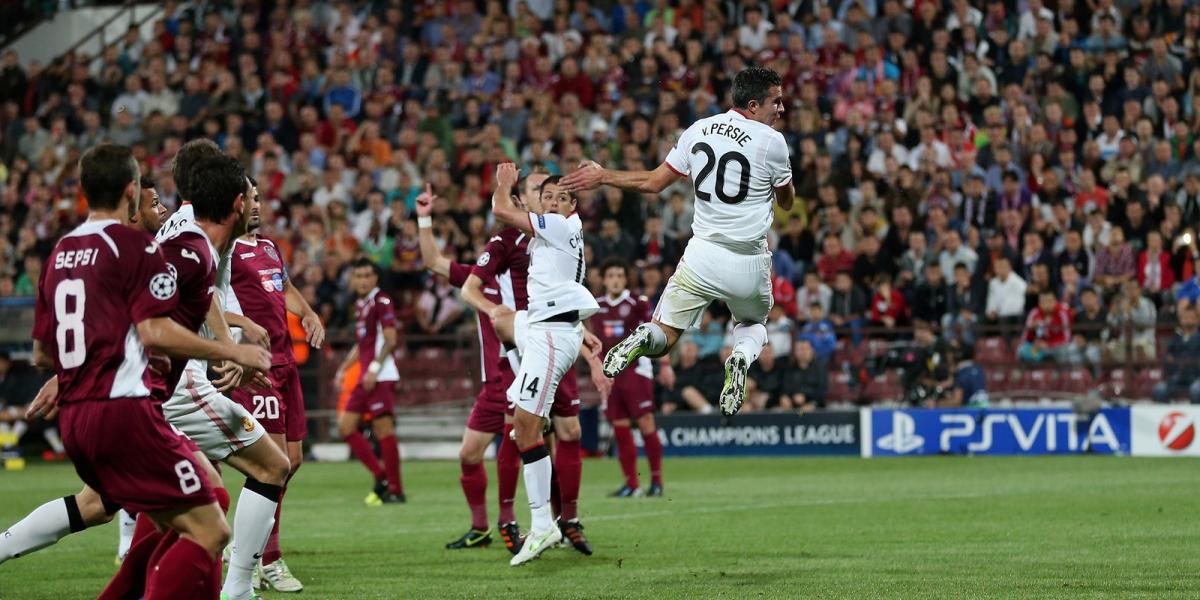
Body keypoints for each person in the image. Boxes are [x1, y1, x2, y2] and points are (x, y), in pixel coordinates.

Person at [2, 144, 270, 598]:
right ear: (131, 190)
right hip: (124, 408)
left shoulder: (62, 251)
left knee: (169, 507)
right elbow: (153, 330)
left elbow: (45, 353)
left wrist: (75, 375)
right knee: (210, 527)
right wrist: (231, 351)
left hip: (79, 413)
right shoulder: (139, 246)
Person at [562, 66, 795, 416]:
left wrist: (603, 175)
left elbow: (654, 183)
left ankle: (643, 336)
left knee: (664, 335)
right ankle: (739, 359)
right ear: (753, 104)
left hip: (701, 254)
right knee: (752, 325)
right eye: (775, 102)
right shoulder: (772, 142)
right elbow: (788, 200)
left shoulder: (698, 129)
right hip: (748, 258)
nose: (781, 109)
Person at [460, 167, 595, 557]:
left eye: (561, 197)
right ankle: (544, 523)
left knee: (528, 428)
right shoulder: (545, 235)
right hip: (542, 330)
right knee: (522, 428)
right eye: (547, 196)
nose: (552, 202)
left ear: (573, 206)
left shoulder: (559, 227)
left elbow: (501, 209)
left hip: (551, 336)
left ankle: (543, 524)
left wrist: (504, 182)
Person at [226, 177, 325, 594]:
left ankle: (245, 546)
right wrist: (242, 328)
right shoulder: (224, 253)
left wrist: (308, 314)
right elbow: (209, 301)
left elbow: (285, 289)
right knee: (274, 462)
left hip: (287, 363)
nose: (255, 205)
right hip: (259, 367)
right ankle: (266, 556)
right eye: (248, 198)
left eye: (258, 197)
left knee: (293, 460)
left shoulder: (267, 247)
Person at [413, 183, 523, 553]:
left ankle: (527, 519)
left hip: (521, 376)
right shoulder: (480, 278)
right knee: (469, 455)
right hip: (492, 384)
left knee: (529, 447)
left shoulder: (529, 276)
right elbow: (432, 261)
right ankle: (480, 527)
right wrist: (424, 217)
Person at [588, 259, 664, 498]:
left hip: (635, 369)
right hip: (611, 373)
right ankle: (631, 484)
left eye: (619, 275)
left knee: (645, 423)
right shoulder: (594, 305)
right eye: (610, 275)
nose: (615, 279)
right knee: (619, 426)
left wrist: (665, 364)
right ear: (603, 279)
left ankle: (656, 481)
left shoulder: (637, 303)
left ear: (625, 279)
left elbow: (654, 333)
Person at [335, 258, 405, 504]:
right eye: (358, 276)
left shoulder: (381, 301)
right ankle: (382, 477)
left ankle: (396, 490)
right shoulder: (361, 304)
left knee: (383, 431)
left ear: (375, 278)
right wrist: (344, 368)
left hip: (380, 376)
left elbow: (390, 338)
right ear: (353, 279)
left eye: (367, 275)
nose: (363, 280)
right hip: (366, 377)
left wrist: (375, 369)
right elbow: (361, 343)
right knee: (346, 427)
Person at [1153, 306, 1200, 403]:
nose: (1187, 319)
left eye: (1190, 317)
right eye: (1184, 317)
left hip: (1196, 376)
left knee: (1196, 390)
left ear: (1198, 320)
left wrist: (1182, 361)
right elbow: (1168, 357)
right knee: (1160, 389)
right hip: (1177, 375)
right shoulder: (1176, 339)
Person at [1018, 290, 1079, 364]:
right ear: (1039, 303)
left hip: (1058, 348)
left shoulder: (1063, 311)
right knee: (1021, 350)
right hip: (1040, 348)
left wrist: (1049, 345)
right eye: (1043, 302)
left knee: (1067, 349)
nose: (1047, 305)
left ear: (1055, 301)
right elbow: (1025, 339)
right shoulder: (1034, 313)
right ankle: (1035, 374)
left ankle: (1064, 373)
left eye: (1050, 301)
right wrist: (1031, 329)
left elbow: (1067, 338)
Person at [784, 339, 828, 411]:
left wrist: (808, 399)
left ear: (812, 351)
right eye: (800, 349)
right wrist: (786, 397)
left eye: (806, 349)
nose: (803, 352)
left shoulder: (820, 367)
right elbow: (785, 388)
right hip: (793, 406)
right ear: (795, 352)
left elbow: (823, 390)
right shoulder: (790, 369)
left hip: (816, 406)